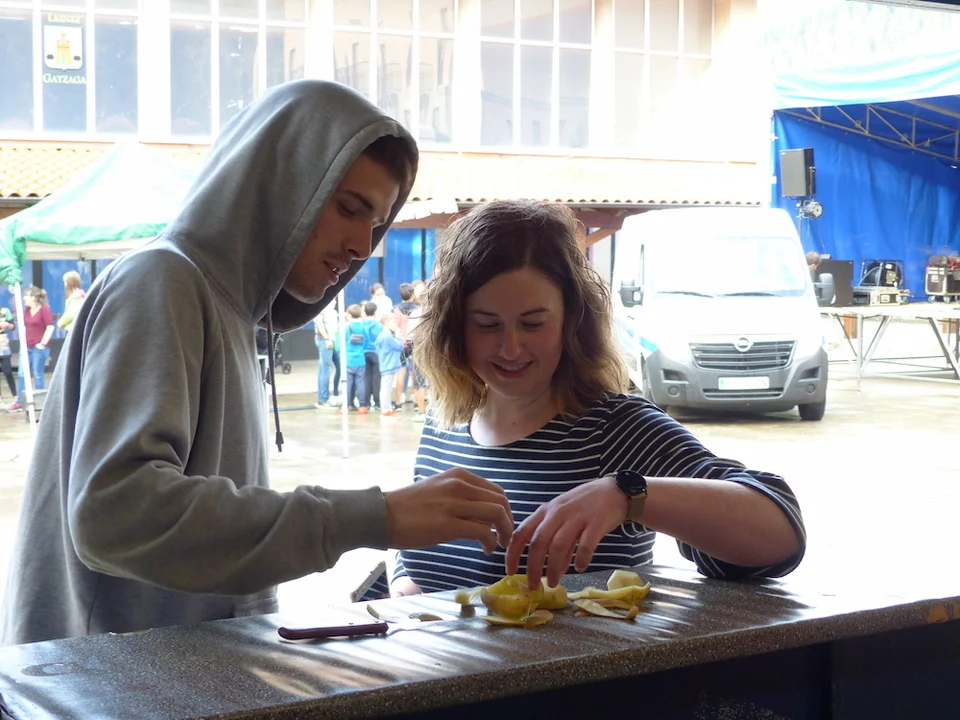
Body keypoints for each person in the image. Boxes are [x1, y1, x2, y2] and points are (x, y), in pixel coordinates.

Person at [0, 80, 513, 646]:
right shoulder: (162, 282)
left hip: (173, 674)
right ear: (274, 186)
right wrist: (374, 517)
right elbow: (116, 513)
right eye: (348, 208)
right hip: (103, 676)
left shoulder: (230, 311)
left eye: (374, 224)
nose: (360, 246)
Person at [387, 200, 805, 598]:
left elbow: (780, 533)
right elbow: (419, 560)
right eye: (486, 325)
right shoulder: (443, 424)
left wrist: (629, 495)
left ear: (573, 319)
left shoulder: (616, 431)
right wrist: (404, 588)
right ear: (454, 327)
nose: (510, 348)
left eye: (533, 324)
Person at [10, 286, 54, 412]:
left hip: (38, 347)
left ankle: (40, 403)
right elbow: (24, 326)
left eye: (27, 296)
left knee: (38, 374)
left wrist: (42, 344)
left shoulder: (44, 309)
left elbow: (50, 326)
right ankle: (20, 402)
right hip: (26, 346)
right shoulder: (27, 310)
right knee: (22, 374)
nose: (24, 298)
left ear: (34, 297)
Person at [376, 314, 404, 416]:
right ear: (386, 322)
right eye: (394, 322)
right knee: (386, 389)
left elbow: (377, 349)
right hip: (389, 365)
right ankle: (386, 409)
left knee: (386, 388)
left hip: (385, 364)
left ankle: (387, 408)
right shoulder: (388, 336)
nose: (396, 325)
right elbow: (399, 346)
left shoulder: (381, 335)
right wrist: (399, 336)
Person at [344, 303, 368, 414]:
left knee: (348, 383)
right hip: (360, 359)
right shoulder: (364, 327)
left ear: (349, 314)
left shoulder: (347, 327)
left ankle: (347, 405)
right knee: (360, 383)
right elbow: (366, 341)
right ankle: (362, 405)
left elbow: (342, 342)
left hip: (349, 359)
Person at [362, 300, 383, 410]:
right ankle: (377, 402)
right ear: (375, 312)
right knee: (376, 378)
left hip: (364, 353)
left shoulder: (361, 325)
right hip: (376, 353)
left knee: (366, 377)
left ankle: (366, 402)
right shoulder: (379, 326)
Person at [0, 307, 15, 402]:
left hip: (3, 344)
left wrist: (7, 325)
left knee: (8, 372)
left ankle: (15, 395)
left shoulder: (5, 311)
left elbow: (13, 327)